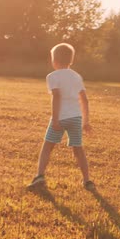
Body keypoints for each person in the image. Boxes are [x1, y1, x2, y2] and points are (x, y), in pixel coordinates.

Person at [28, 43, 94, 189]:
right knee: (78, 149)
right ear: (71, 61)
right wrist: (86, 121)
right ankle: (87, 180)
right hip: (76, 118)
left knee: (47, 146)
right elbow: (84, 99)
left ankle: (39, 176)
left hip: (61, 117)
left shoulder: (52, 76)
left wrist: (55, 119)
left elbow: (56, 97)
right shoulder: (77, 77)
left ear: (54, 61)